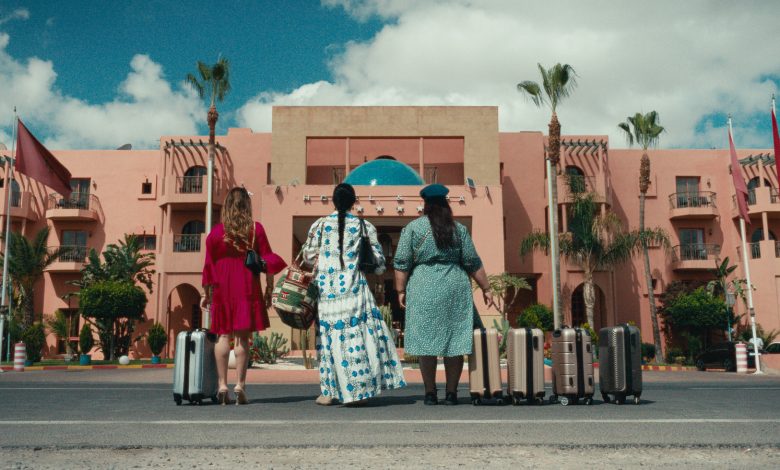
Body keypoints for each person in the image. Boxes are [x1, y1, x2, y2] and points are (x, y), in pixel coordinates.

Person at [304, 183, 406, 406]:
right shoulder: (364, 226)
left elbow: (308, 256)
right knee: (356, 338)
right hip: (354, 290)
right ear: (353, 202)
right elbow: (379, 263)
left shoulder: (319, 225)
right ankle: (358, 391)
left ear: (333, 201)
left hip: (327, 293)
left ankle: (329, 392)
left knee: (329, 339)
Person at [394, 183, 494, 406]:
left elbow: (401, 262)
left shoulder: (413, 228)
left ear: (426, 205)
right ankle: (451, 393)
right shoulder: (458, 229)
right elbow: (472, 262)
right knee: (454, 342)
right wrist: (486, 288)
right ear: (446, 204)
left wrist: (400, 290)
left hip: (423, 288)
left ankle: (430, 393)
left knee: (426, 344)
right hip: (454, 287)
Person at [201, 187, 286, 405]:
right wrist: (268, 287)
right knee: (241, 338)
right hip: (246, 285)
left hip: (222, 286)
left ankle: (222, 385)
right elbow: (267, 258)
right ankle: (240, 384)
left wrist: (206, 293)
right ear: (247, 205)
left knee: (222, 336)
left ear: (227, 205)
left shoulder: (216, 233)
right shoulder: (255, 229)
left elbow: (209, 265)